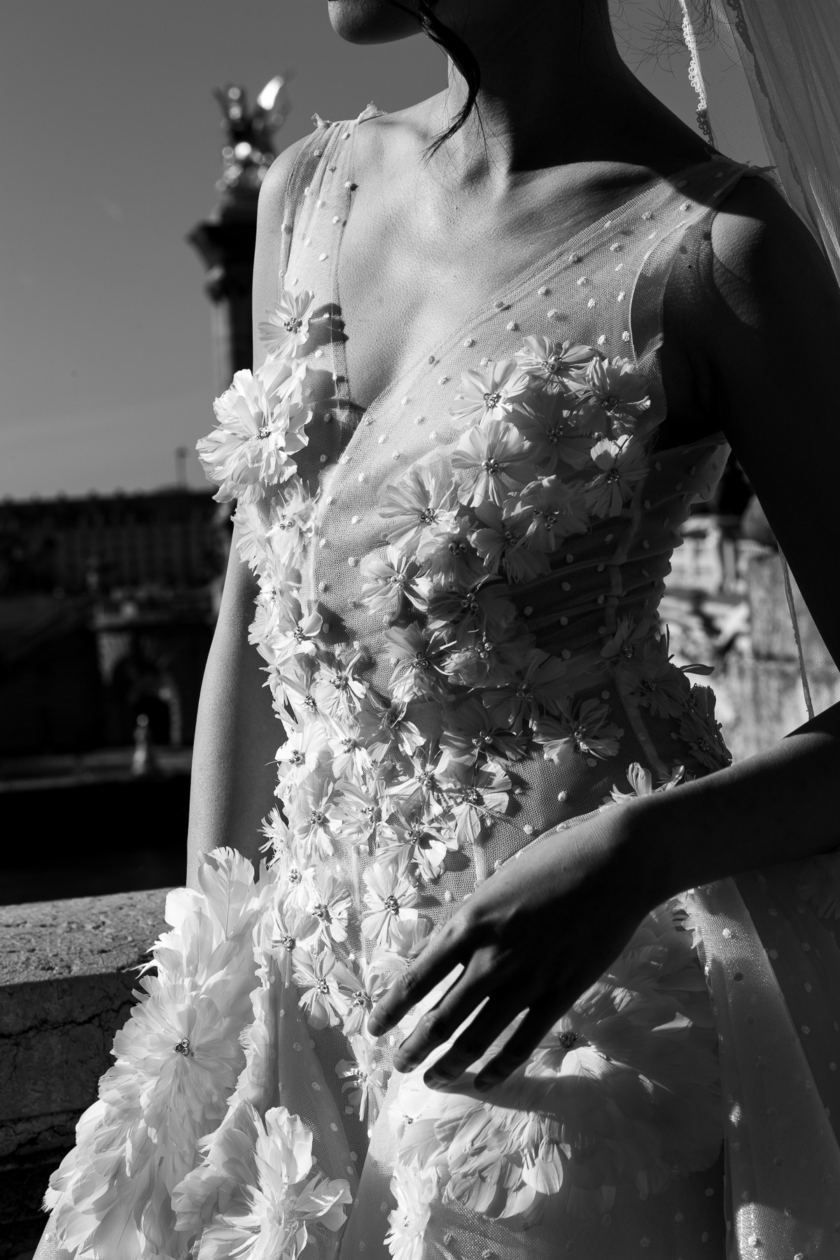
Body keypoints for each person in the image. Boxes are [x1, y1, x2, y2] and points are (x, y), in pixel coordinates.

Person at [35, 1, 840, 1257]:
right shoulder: (307, 192)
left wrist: (638, 850)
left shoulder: (716, 248)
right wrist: (206, 999)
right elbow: (255, 618)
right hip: (301, 1007)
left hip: (562, 1027)